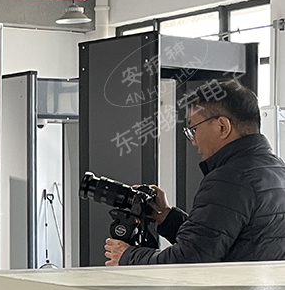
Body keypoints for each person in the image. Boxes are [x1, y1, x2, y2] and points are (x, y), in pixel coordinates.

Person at [106, 79, 285, 266]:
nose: (193, 140)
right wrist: (166, 216)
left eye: (194, 129)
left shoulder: (229, 180)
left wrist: (128, 256)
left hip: (237, 286)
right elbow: (212, 241)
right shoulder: (277, 169)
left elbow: (190, 259)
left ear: (222, 127)